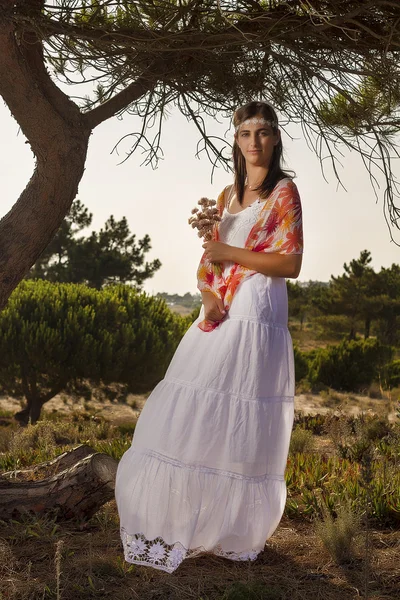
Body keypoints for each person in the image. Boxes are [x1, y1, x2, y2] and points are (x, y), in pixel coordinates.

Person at [115, 100, 303, 574]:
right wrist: (206, 292)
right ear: (236, 140)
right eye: (244, 133)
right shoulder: (226, 196)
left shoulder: (284, 192)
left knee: (241, 407)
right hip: (221, 308)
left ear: (275, 139)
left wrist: (228, 249)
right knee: (197, 402)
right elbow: (211, 263)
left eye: (262, 133)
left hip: (259, 307)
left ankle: (232, 528)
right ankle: (185, 518)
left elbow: (291, 263)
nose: (254, 142)